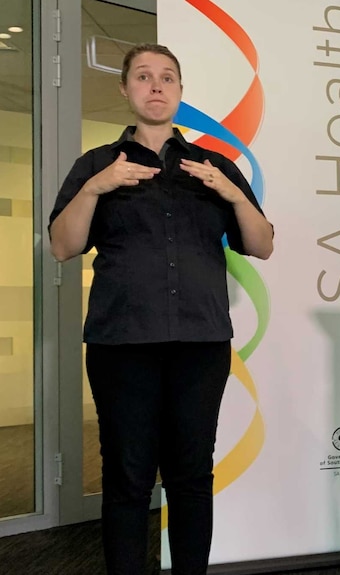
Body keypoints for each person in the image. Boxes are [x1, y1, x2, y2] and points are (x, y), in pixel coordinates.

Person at [48, 43, 273, 575]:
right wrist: (95, 190)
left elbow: (262, 245)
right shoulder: (97, 164)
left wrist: (234, 196)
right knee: (127, 476)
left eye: (167, 77)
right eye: (143, 77)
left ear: (179, 91)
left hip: (200, 344)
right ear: (125, 89)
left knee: (192, 475)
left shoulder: (213, 167)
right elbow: (62, 245)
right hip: (122, 344)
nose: (156, 86)